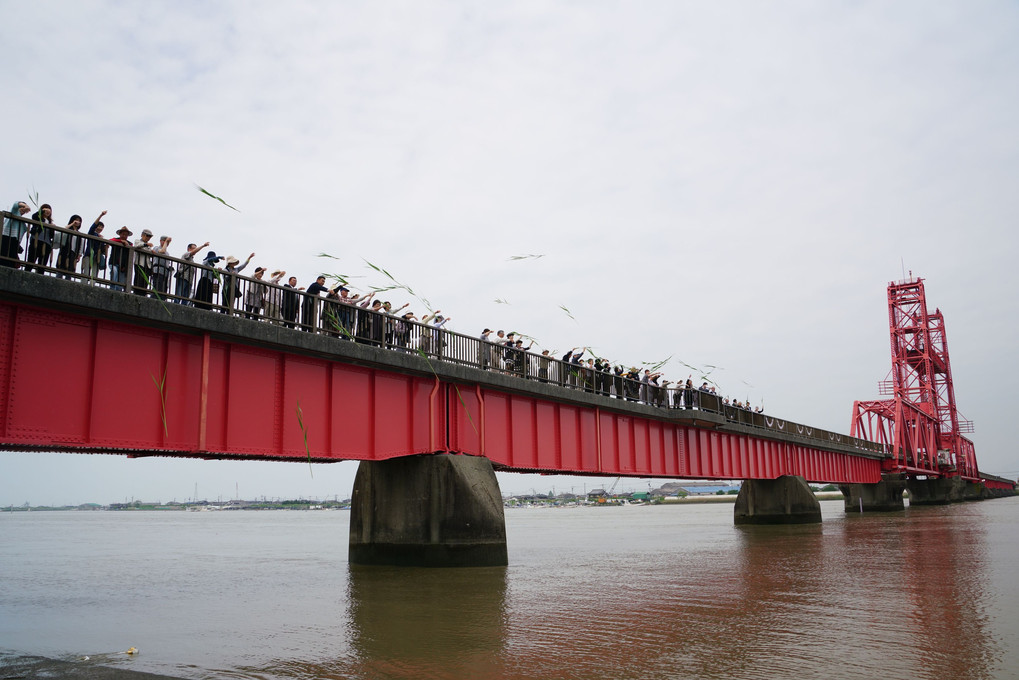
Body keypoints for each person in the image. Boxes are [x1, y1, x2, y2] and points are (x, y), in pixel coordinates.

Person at [26, 204, 55, 273]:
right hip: (36, 240)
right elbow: (34, 216)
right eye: (45, 209)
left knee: (42, 264)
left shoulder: (50, 222)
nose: (47, 211)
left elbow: (51, 235)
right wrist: (42, 211)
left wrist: (52, 228)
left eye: (49, 210)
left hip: (46, 243)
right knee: (31, 260)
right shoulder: (38, 218)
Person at [53, 215, 84, 279]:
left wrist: (79, 255)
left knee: (70, 268)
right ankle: (58, 279)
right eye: (76, 220)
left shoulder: (79, 234)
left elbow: (81, 244)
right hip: (65, 250)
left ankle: (68, 279)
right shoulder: (68, 229)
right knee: (61, 265)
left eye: (79, 221)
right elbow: (64, 230)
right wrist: (72, 224)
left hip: (73, 252)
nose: (77, 222)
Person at [2, 201, 31, 268]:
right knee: (5, 257)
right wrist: (25, 206)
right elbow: (15, 205)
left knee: (10, 260)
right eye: (22, 208)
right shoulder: (15, 213)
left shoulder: (21, 219)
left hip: (15, 240)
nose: (23, 210)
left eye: (24, 209)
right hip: (7, 236)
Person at [81, 211, 108, 281]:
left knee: (95, 273)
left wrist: (105, 245)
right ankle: (84, 285)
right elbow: (93, 226)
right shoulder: (92, 233)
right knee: (86, 272)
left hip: (96, 257)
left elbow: (102, 250)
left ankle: (92, 286)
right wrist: (101, 215)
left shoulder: (101, 238)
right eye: (99, 226)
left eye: (102, 227)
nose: (100, 228)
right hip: (89, 255)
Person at [108, 226, 133, 291]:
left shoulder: (130, 244)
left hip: (123, 266)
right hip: (114, 262)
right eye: (123, 234)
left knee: (120, 284)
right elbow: (110, 241)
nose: (124, 236)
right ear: (120, 234)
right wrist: (121, 241)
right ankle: (112, 289)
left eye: (126, 235)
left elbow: (131, 250)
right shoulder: (115, 240)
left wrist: (125, 266)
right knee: (114, 272)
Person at [132, 229, 155, 295]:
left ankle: (143, 294)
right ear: (142, 235)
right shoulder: (138, 241)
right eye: (147, 236)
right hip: (139, 263)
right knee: (138, 279)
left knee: (145, 281)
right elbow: (137, 246)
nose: (148, 238)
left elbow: (150, 254)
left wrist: (152, 252)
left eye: (149, 236)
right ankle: (136, 293)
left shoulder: (148, 246)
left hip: (147, 265)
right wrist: (146, 244)